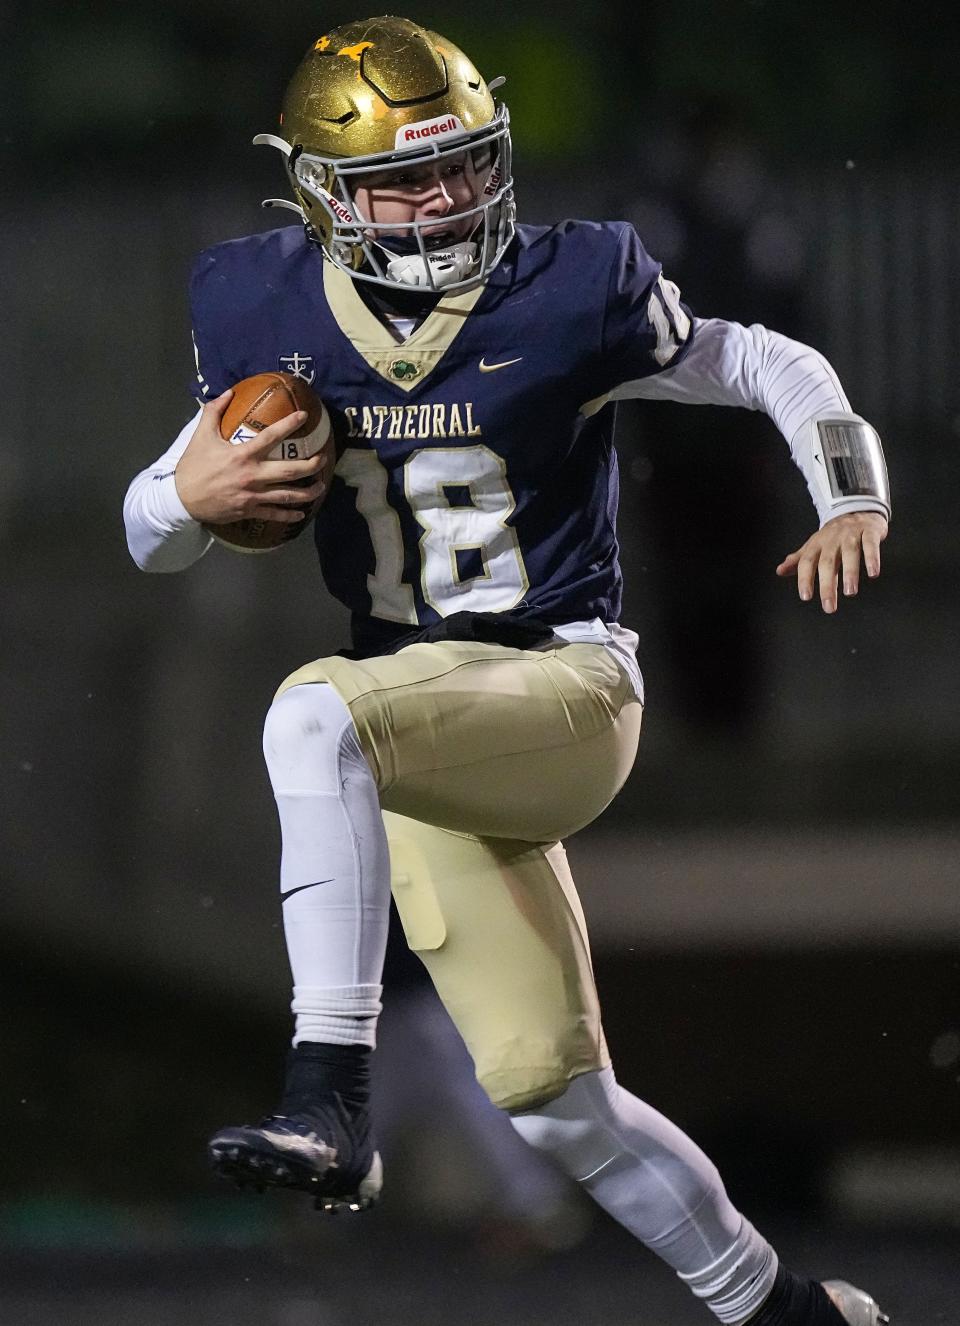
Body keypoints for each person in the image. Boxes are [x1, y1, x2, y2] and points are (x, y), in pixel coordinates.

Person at [123, 17, 892, 1326]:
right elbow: (148, 530)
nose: (444, 199)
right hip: (417, 739)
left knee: (309, 713)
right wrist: (182, 494)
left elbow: (767, 357)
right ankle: (787, 1309)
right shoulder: (264, 305)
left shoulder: (569, 285)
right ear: (323, 191)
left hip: (563, 688)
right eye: (404, 178)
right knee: (553, 1097)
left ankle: (330, 1097)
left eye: (464, 165)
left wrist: (850, 489)